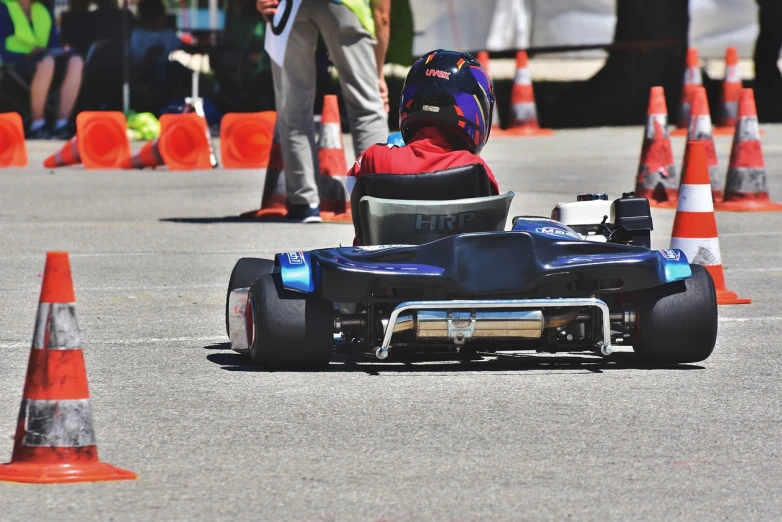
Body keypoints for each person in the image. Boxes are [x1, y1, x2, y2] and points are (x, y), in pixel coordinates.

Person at [346, 49, 500, 245]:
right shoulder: (476, 169)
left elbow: (352, 190)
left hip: (383, 269)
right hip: (452, 272)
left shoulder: (374, 158)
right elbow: (489, 235)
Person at [257, 0, 391, 223]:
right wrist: (377, 74)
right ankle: (380, 198)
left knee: (293, 108)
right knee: (366, 107)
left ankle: (305, 203)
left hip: (290, 7)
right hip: (346, 5)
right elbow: (382, 14)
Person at [0, 0, 84, 139]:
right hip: (14, 66)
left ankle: (62, 124)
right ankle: (37, 124)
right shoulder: (4, 7)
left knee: (76, 61)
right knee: (47, 62)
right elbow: (3, 50)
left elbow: (53, 45)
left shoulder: (43, 10)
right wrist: (29, 54)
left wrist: (62, 51)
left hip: (44, 60)